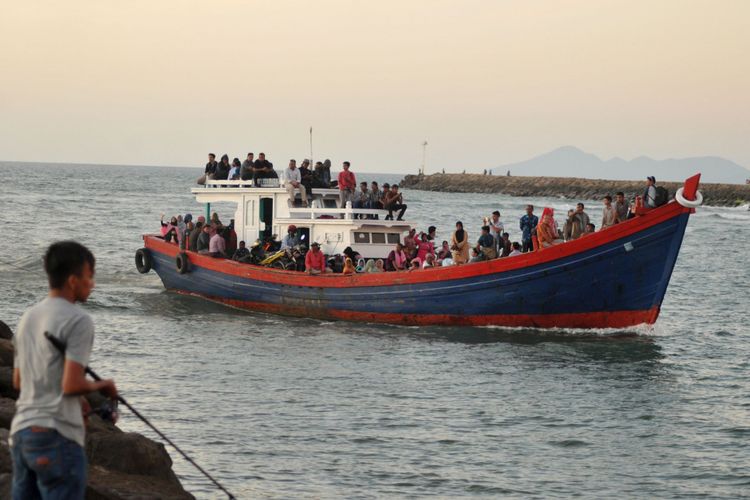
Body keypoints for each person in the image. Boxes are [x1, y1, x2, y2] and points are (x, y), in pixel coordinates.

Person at [11, 241, 117, 499]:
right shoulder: (78, 320)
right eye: (89, 276)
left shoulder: (28, 317)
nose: (91, 283)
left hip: (23, 434)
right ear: (72, 281)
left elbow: (18, 381)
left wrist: (79, 399)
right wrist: (102, 387)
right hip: (57, 437)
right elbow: (71, 384)